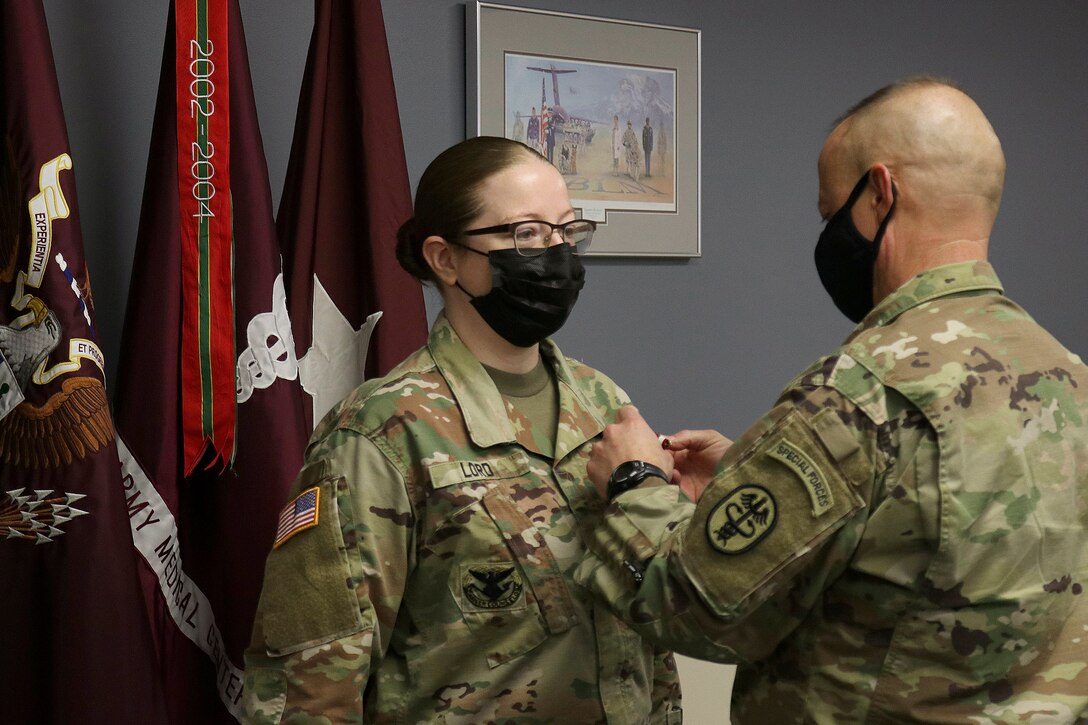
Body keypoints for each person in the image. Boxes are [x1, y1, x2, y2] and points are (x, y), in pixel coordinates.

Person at [577, 77, 1088, 722]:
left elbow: (699, 609)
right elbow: (941, 531)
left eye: (830, 213)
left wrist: (633, 482)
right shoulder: (1067, 375)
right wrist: (750, 472)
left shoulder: (861, 395)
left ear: (879, 194)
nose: (829, 231)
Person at [243, 136, 683, 724]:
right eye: (526, 234)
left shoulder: (605, 404)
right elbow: (311, 687)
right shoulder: (380, 435)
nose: (555, 253)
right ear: (445, 259)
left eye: (566, 230)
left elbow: (649, 640)